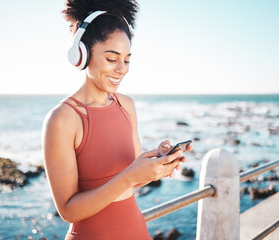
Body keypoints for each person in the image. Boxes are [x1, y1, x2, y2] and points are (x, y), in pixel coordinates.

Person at [42, 0, 192, 239]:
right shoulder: (62, 119)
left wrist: (156, 165)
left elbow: (133, 181)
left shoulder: (127, 106)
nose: (122, 69)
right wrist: (128, 178)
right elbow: (68, 210)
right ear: (82, 54)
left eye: (127, 59)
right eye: (112, 59)